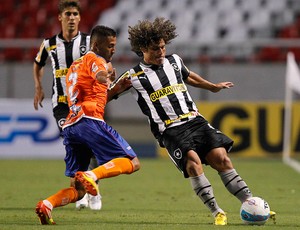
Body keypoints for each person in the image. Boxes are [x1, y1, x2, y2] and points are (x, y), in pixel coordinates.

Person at [110, 17, 275, 225]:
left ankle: (251, 204)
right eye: (155, 49)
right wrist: (102, 85)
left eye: (162, 47)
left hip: (194, 120)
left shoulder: (174, 61)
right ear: (143, 48)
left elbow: (190, 77)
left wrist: (212, 86)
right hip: (170, 130)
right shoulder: (132, 77)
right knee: (193, 163)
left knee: (221, 158)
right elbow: (107, 94)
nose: (161, 52)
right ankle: (217, 212)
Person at [35, 25, 141, 225]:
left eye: (114, 46)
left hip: (71, 125)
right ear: (96, 44)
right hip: (89, 120)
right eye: (110, 46)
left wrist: (114, 87)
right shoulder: (96, 60)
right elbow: (100, 74)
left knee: (79, 189)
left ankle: (47, 205)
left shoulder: (76, 65)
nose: (113, 50)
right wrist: (106, 77)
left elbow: (97, 94)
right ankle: (92, 174)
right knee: (133, 162)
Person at [33, 0, 101, 210]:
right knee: (74, 141)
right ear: (60, 18)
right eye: (67, 14)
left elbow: (100, 63)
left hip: (85, 103)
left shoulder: (89, 43)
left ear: (80, 18)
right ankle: (81, 193)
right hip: (62, 104)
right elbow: (38, 64)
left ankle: (92, 188)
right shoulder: (49, 44)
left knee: (89, 146)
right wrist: (38, 87)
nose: (71, 18)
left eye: (74, 14)